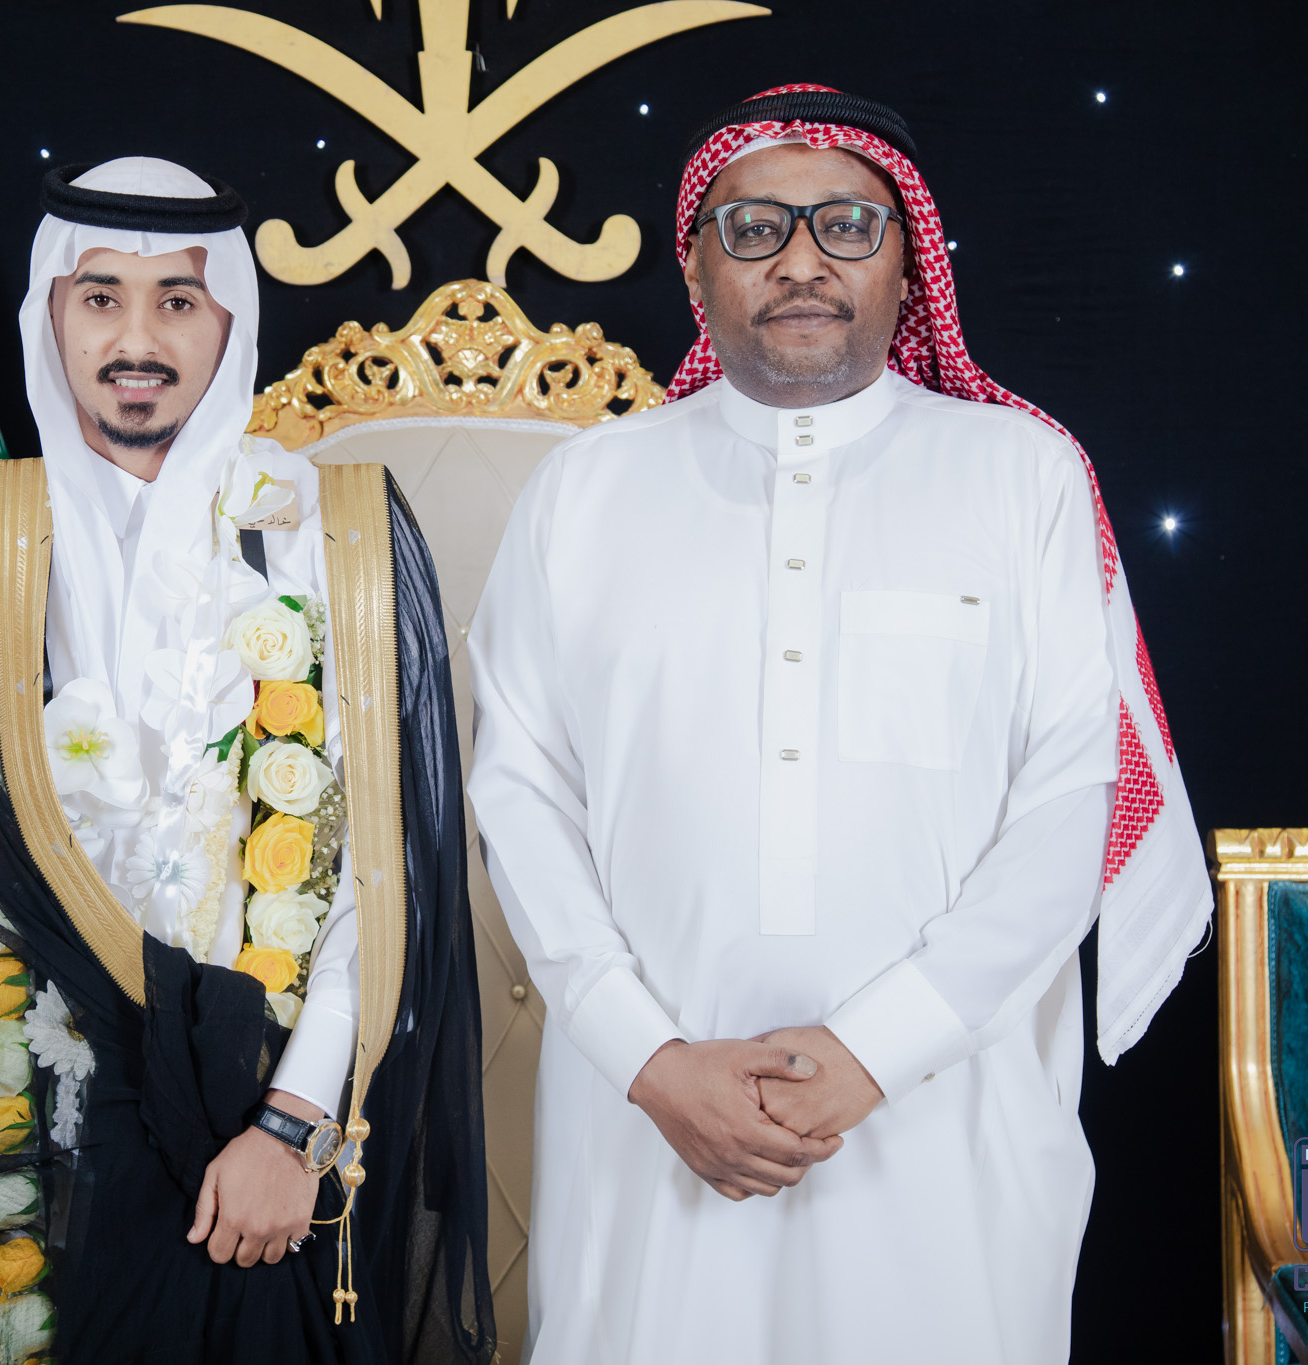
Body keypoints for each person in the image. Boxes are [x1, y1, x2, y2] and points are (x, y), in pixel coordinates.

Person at [465, 85, 1212, 1363]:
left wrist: (876, 1050)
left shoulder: (1021, 476)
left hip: (942, 1119)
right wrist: (651, 1061)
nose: (800, 260)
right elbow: (519, 792)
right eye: (753, 227)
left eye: (846, 225)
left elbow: (1070, 802)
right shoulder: (584, 489)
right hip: (650, 1125)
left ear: (906, 259)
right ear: (694, 265)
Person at [0, 157, 494, 1365]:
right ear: (50, 313)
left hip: (252, 1137)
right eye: (100, 296)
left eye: (178, 300)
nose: (137, 340)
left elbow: (389, 877)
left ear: (230, 321)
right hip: (13, 1128)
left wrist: (293, 1125)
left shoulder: (336, 537)